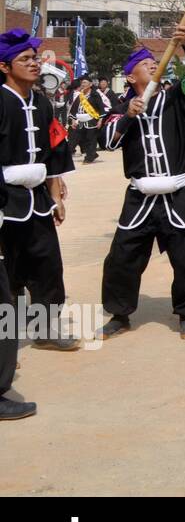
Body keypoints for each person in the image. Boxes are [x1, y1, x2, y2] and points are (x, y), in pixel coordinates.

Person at [99, 23, 185, 340]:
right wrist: (128, 117)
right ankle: (120, 314)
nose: (152, 63)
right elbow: (107, 142)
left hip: (177, 193)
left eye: (154, 62)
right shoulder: (120, 109)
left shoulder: (177, 98)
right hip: (140, 198)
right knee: (122, 257)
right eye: (144, 63)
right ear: (130, 78)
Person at [1, 28, 80, 419]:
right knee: (9, 276)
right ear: (4, 67)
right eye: (25, 59)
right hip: (5, 201)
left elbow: (56, 148)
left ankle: (46, 330)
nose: (34, 63)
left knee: (47, 266)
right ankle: (7, 344)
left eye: (35, 58)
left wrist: (55, 192)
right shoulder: (0, 101)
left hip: (37, 201)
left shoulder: (44, 102)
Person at [71, 77, 108, 163]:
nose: (83, 84)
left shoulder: (95, 95)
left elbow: (101, 108)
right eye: (82, 83)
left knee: (91, 139)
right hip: (80, 121)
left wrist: (100, 120)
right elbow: (74, 108)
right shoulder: (80, 95)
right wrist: (73, 120)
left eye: (85, 82)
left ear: (90, 84)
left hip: (91, 120)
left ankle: (89, 157)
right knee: (77, 138)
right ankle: (92, 153)